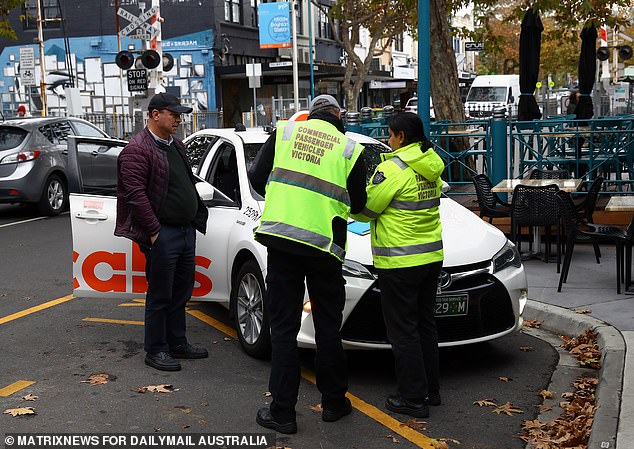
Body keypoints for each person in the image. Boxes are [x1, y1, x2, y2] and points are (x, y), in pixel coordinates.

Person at [248, 94, 367, 434]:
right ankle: (333, 404)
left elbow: (257, 179)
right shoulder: (349, 149)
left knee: (283, 329)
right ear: (338, 116)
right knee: (328, 326)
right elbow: (358, 204)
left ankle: (283, 412)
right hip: (325, 249)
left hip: (282, 242)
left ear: (310, 115)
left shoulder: (284, 133)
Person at [352, 112, 445, 418]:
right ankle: (431, 391)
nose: (388, 140)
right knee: (425, 326)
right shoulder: (430, 164)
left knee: (403, 332)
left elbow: (366, 210)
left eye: (390, 135)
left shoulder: (392, 168)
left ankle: (413, 399)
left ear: (401, 136)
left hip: (400, 262)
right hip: (430, 257)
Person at [115, 93, 209, 372]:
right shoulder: (137, 149)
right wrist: (155, 232)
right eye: (174, 113)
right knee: (160, 294)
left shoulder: (176, 145)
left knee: (181, 291)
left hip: (185, 230)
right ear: (155, 115)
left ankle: (177, 342)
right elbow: (135, 194)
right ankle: (156, 349)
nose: (179, 118)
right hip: (163, 233)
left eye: (180, 114)